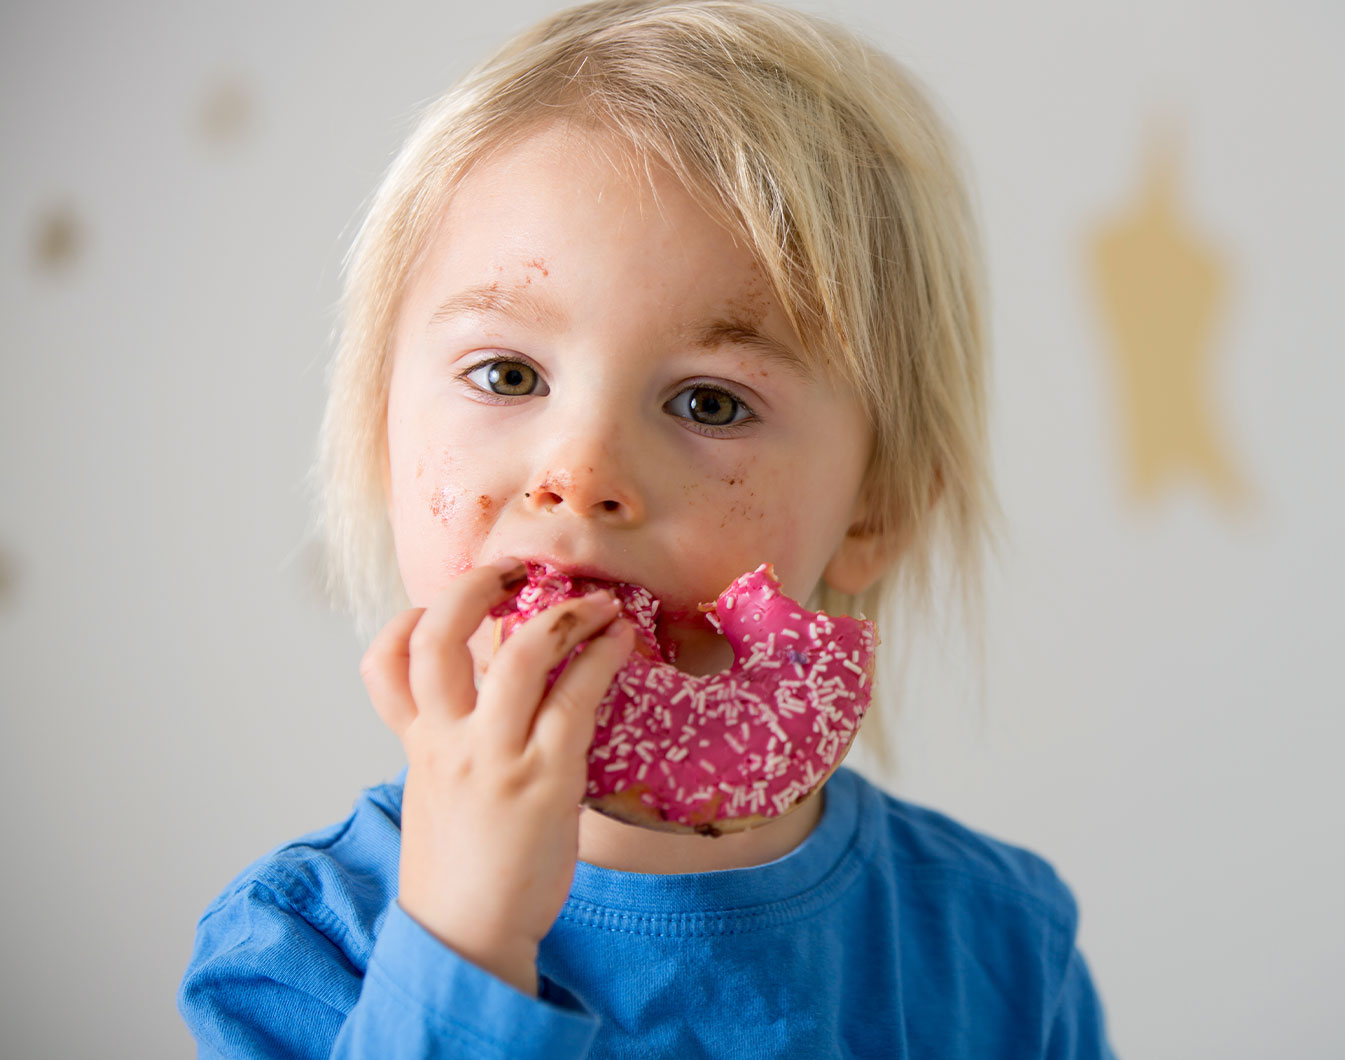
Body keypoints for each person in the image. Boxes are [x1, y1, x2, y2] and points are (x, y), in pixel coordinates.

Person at [178, 1, 1116, 1056]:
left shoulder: (1001, 950)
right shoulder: (297, 951)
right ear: (380, 431)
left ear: (876, 509)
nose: (579, 479)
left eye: (708, 401)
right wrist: (463, 945)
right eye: (508, 374)